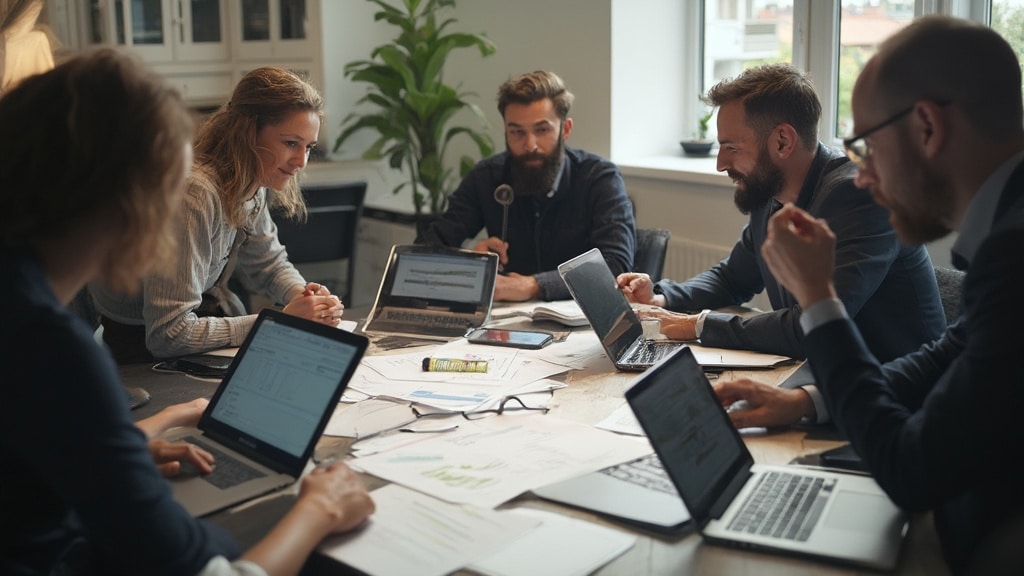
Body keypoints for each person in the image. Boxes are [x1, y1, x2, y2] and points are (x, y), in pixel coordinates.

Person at [0, 47, 374, 576]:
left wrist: (159, 425)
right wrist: (320, 507)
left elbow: (47, 445)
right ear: (127, 201)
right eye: (165, 191)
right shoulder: (54, 351)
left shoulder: (22, 312)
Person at [757, 16, 1024, 573]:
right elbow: (954, 352)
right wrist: (808, 402)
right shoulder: (1007, 227)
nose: (861, 176)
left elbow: (911, 472)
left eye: (868, 146)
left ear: (926, 127)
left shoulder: (1015, 252)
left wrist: (818, 298)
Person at [616, 63, 945, 427]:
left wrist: (697, 324)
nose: (721, 164)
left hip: (895, 406)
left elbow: (811, 324)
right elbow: (732, 278)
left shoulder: (857, 197)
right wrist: (661, 300)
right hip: (818, 379)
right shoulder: (768, 194)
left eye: (730, 147)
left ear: (783, 142)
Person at [89, 66, 345, 363]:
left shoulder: (253, 182)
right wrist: (279, 323)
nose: (301, 161)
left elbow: (269, 264)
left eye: (308, 147)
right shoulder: (195, 194)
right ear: (248, 133)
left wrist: (305, 298)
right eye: (290, 143)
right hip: (139, 353)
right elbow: (168, 334)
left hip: (193, 329)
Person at [416, 70, 636, 302]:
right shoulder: (487, 177)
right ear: (506, 132)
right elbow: (423, 252)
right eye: (517, 132)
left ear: (566, 130)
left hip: (582, 321)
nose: (530, 145)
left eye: (542, 130)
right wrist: (469, 261)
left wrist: (534, 286)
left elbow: (615, 265)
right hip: (505, 323)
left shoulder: (599, 178)